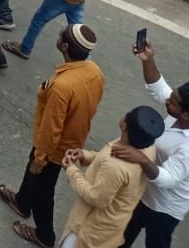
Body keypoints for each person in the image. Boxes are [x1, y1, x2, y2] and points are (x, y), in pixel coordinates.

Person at [0, 24, 105, 248]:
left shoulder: (62, 86)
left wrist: (41, 158)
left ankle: (44, 235)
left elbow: (51, 127)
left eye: (60, 36)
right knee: (33, 174)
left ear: (64, 46)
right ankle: (22, 201)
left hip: (53, 148)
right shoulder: (94, 71)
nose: (57, 37)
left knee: (43, 190)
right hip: (73, 138)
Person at [112, 38, 189, 248]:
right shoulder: (177, 112)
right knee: (119, 237)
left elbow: (169, 179)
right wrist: (147, 60)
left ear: (187, 115)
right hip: (143, 192)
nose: (168, 101)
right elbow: (159, 88)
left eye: (173, 102)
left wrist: (141, 159)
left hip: (164, 208)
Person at [58, 106, 165, 248]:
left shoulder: (115, 167)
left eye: (128, 114)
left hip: (89, 228)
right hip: (112, 225)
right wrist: (86, 155)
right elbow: (105, 158)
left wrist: (71, 170)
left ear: (125, 125)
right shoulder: (145, 147)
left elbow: (96, 197)